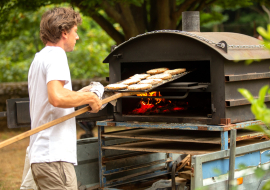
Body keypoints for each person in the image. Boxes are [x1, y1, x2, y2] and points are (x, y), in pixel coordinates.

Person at [27, 7, 102, 189]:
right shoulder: (57, 55)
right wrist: (90, 98)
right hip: (54, 157)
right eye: (75, 32)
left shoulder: (40, 58)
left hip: (43, 155)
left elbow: (54, 96)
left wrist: (80, 94)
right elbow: (57, 98)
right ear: (64, 33)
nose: (77, 37)